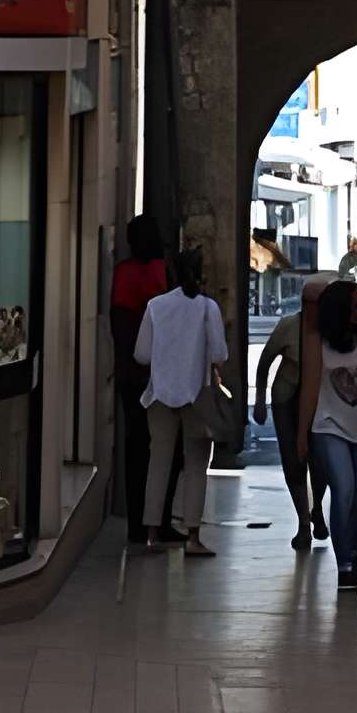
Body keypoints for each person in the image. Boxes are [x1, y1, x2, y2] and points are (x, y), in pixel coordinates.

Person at [134, 247, 228, 559]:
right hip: (196, 395)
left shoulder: (155, 306)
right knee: (197, 465)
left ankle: (151, 534)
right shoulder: (207, 308)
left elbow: (142, 355)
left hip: (159, 393)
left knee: (158, 461)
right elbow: (219, 355)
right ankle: (192, 535)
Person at [300, 279, 357, 591]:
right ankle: (344, 564)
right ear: (341, 309)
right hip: (328, 425)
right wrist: (301, 434)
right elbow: (309, 389)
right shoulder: (316, 339)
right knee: (343, 488)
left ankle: (353, 546)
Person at [109, 215, 181, 545]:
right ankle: (159, 521)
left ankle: (139, 524)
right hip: (158, 375)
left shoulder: (124, 273)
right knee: (168, 451)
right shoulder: (159, 271)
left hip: (131, 375)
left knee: (136, 449)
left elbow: (120, 326)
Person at [252, 304, 328, 550]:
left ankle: (316, 508)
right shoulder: (289, 325)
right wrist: (260, 400)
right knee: (293, 460)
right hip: (287, 398)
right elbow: (265, 362)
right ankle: (303, 523)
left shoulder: (331, 327)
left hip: (319, 400)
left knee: (320, 461)